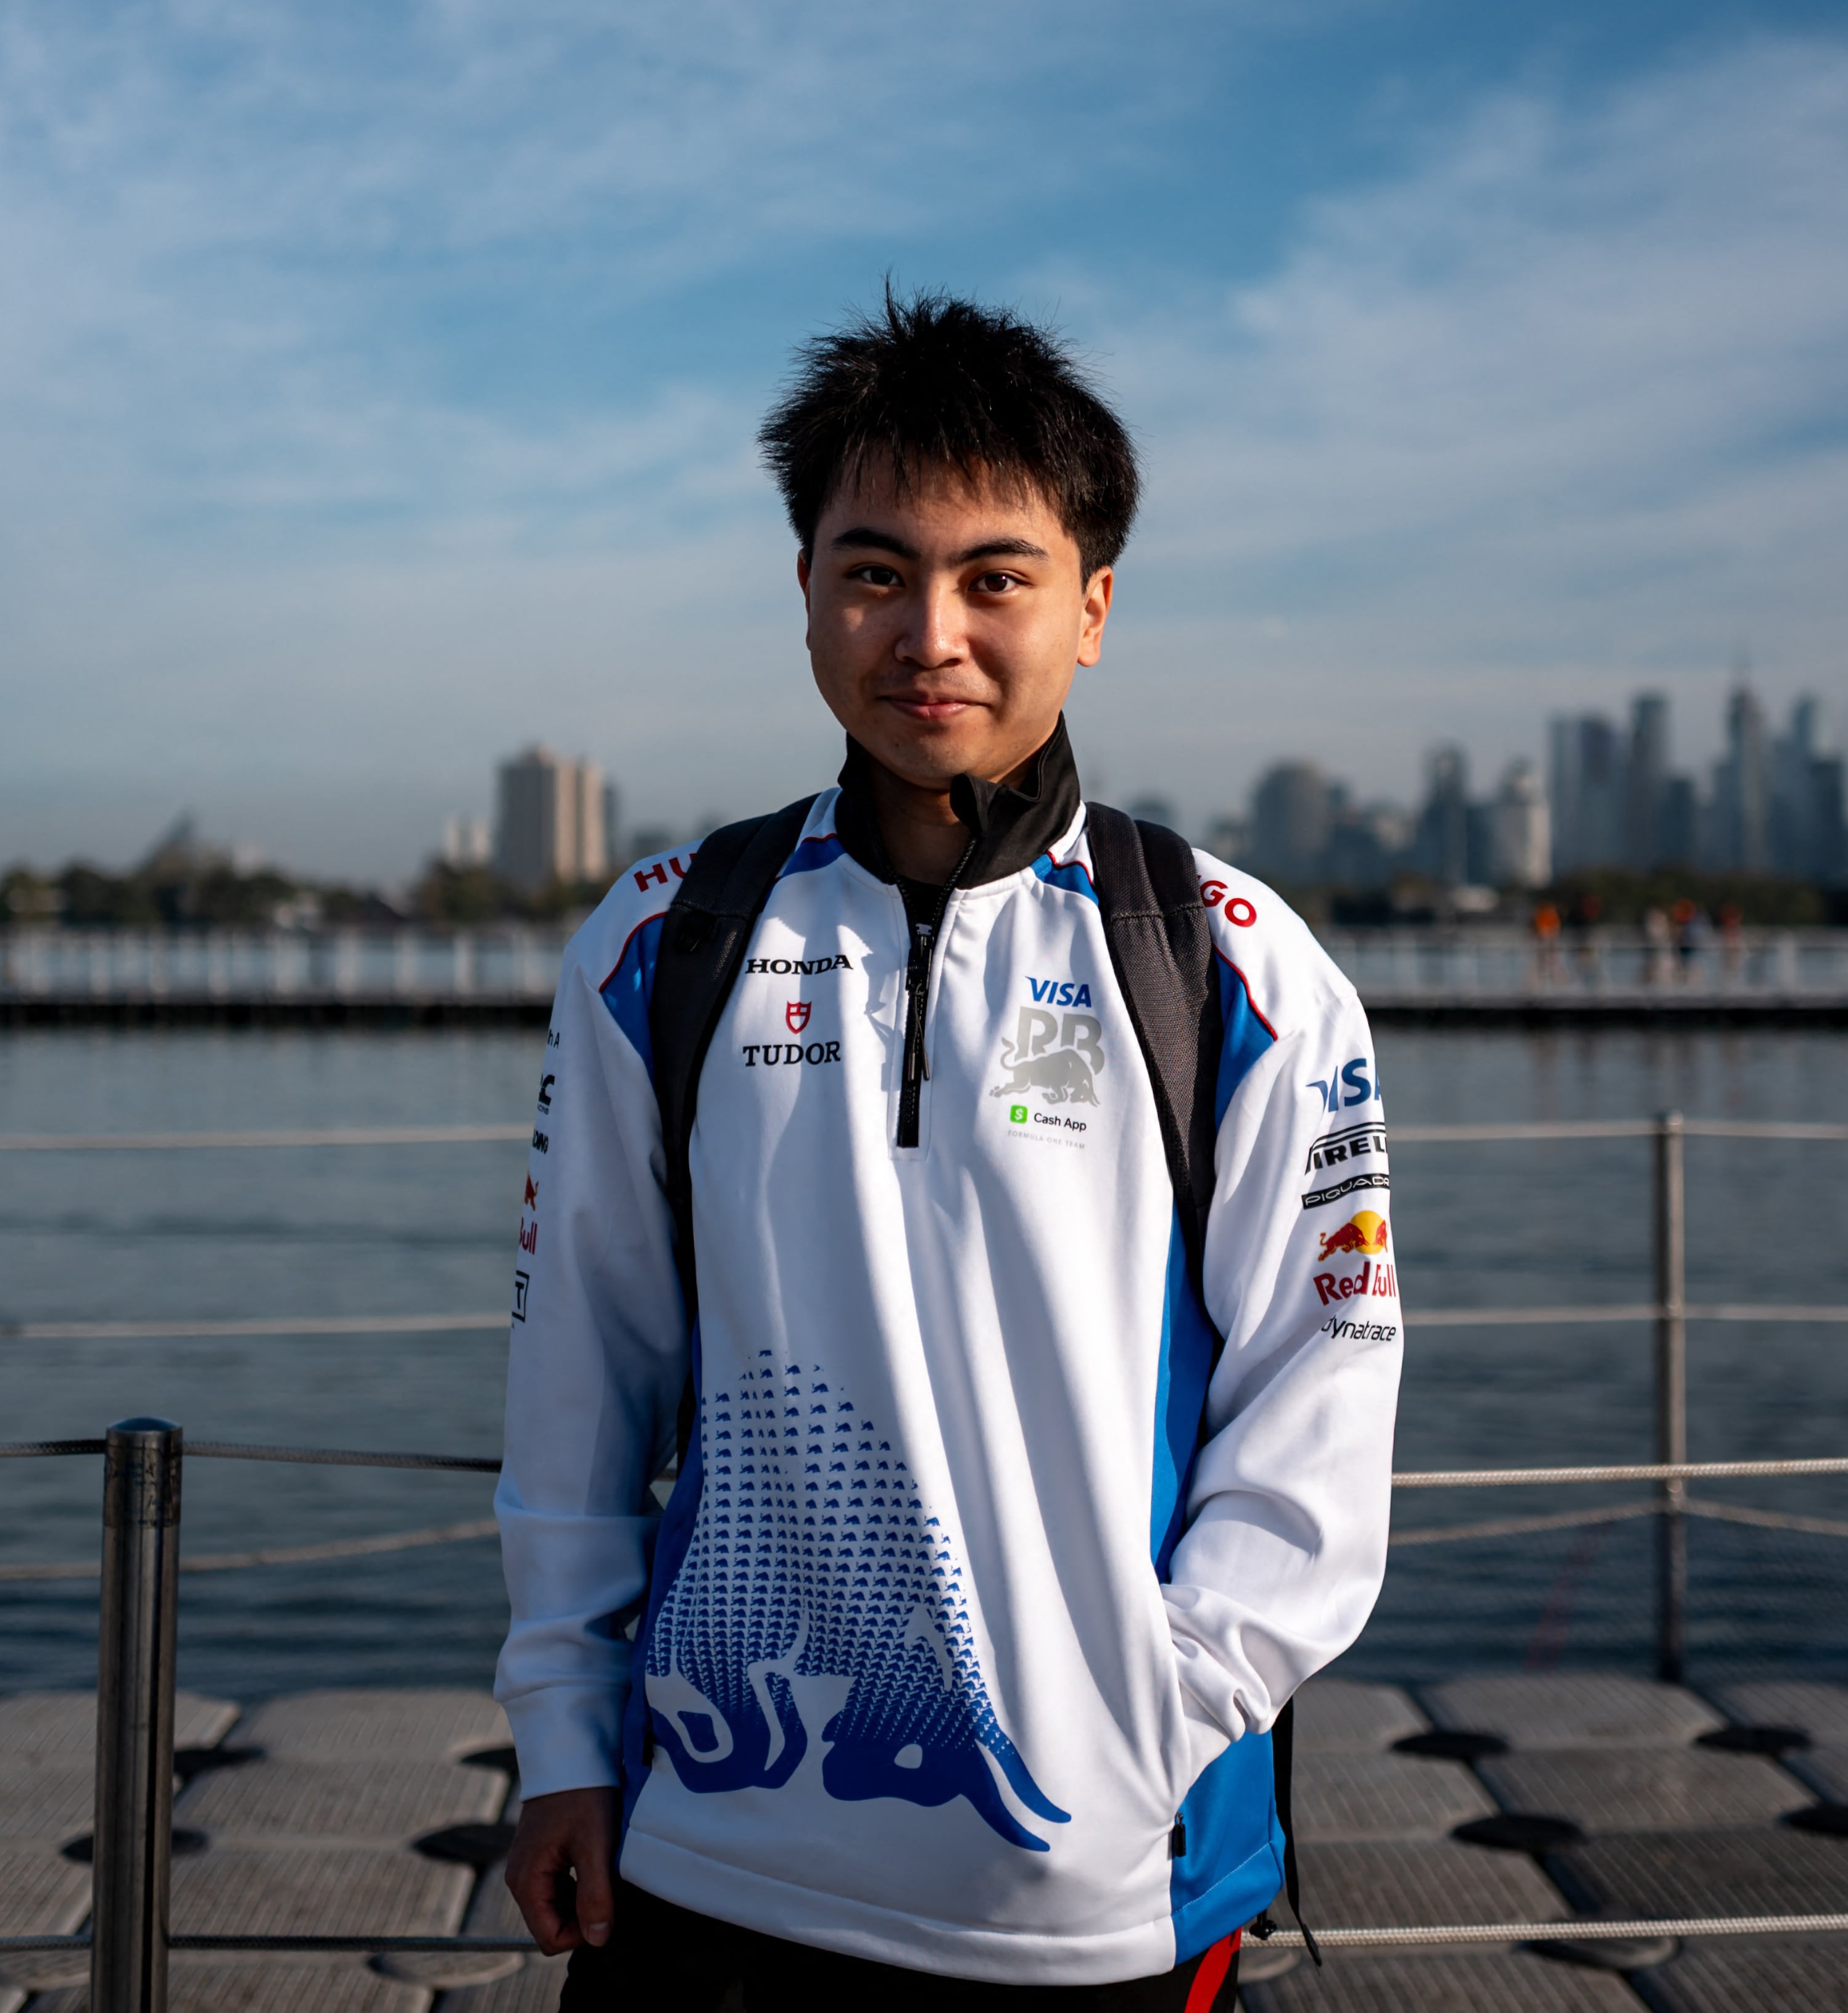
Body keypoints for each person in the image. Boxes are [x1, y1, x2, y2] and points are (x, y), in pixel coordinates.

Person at [494, 292, 1401, 2007]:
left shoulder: (1235, 962)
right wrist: (560, 1726)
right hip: (706, 1857)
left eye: (998, 576)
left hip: (1100, 1891)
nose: (932, 632)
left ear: (1094, 606)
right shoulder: (661, 942)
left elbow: (1322, 1410)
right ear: (808, 593)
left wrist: (1146, 1713)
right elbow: (577, 1375)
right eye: (872, 570)